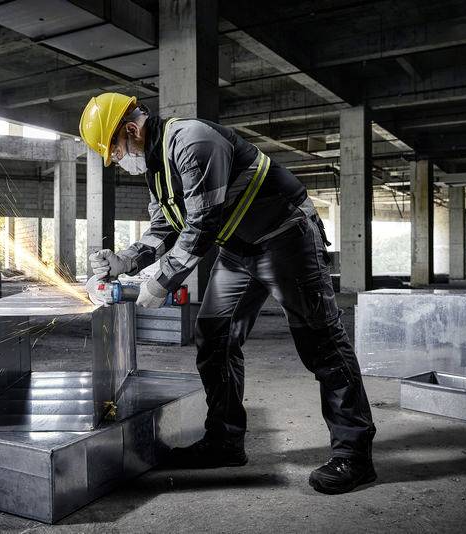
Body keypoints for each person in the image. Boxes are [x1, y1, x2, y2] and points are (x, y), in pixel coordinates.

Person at [80, 93, 377, 494]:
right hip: (238, 249)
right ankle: (224, 441)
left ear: (131, 130)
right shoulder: (156, 168)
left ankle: (354, 456)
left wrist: (162, 280)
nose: (117, 161)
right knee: (214, 337)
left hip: (285, 238)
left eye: (114, 152)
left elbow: (202, 223)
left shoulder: (192, 141)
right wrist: (124, 262)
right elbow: (164, 225)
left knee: (321, 342)